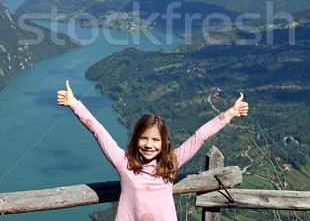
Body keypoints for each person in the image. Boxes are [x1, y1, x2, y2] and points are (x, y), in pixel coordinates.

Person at [57, 80, 249, 221]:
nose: (149, 144)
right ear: (136, 139)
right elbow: (98, 131)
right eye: (144, 138)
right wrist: (75, 104)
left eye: (156, 140)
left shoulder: (172, 162)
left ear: (164, 142)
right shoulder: (124, 163)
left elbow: (200, 136)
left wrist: (231, 113)